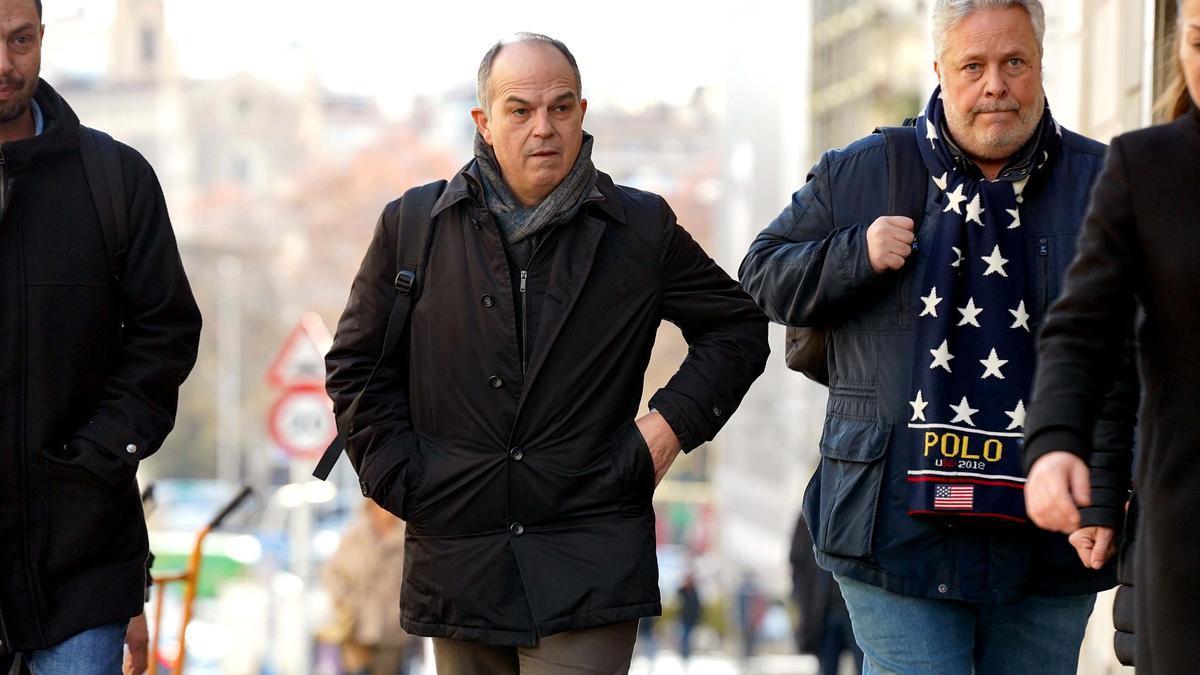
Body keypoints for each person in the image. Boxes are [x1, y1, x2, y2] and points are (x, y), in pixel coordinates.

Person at [326, 33, 769, 675]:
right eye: (520, 110)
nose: (544, 127)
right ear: (483, 121)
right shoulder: (414, 226)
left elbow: (737, 327)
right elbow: (355, 365)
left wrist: (667, 430)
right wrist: (401, 477)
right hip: (459, 552)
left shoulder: (639, 228)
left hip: (590, 546)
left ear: (582, 114)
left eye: (561, 108)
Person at [738, 1, 1136, 672]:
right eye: (972, 66)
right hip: (892, 528)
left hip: (1049, 539)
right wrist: (853, 254)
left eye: (1014, 63)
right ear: (940, 71)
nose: (995, 85)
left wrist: (1106, 485)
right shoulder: (866, 170)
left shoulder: (1100, 183)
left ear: (1041, 64)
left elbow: (1135, 352)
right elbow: (759, 274)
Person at [0, 0, 202, 671]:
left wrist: (98, 452)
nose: (5, 63)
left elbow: (165, 334)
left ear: (42, 40)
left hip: (82, 559)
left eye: (20, 40)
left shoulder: (114, 178)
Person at [1023, 0, 1200, 671]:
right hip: (1186, 534)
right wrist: (1055, 445)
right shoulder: (1147, 169)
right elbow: (1087, 331)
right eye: (1197, 40)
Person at [321, 500, 412, 675]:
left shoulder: (406, 535)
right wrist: (346, 602)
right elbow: (332, 574)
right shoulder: (354, 535)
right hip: (358, 629)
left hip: (393, 631)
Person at [789, 516, 861, 675]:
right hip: (824, 612)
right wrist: (803, 606)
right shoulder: (807, 515)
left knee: (865, 666)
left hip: (855, 605)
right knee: (827, 668)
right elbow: (797, 566)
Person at [676, 574, 701, 662]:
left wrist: (697, 618)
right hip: (683, 619)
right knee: (684, 637)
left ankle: (686, 655)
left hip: (691, 620)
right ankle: (684, 655)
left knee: (688, 638)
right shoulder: (683, 591)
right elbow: (678, 595)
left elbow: (698, 607)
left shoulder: (695, 592)